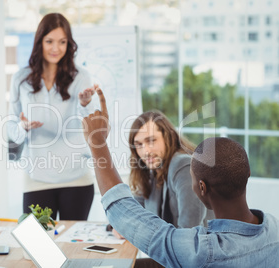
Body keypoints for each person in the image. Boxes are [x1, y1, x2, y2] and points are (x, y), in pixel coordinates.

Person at [82, 88, 279, 267]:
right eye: (139, 144)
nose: (145, 150)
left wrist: (97, 141)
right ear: (247, 174)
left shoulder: (203, 251)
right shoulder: (273, 226)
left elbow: (127, 213)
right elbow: (137, 206)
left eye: (151, 141)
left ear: (201, 188)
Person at [8, 13, 97, 220]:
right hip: (36, 177)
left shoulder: (81, 77)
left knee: (70, 245)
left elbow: (93, 125)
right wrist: (22, 127)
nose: (56, 48)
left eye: (62, 42)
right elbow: (11, 127)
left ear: (69, 44)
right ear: (39, 42)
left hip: (76, 179)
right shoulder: (21, 79)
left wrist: (85, 104)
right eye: (49, 41)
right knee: (38, 245)